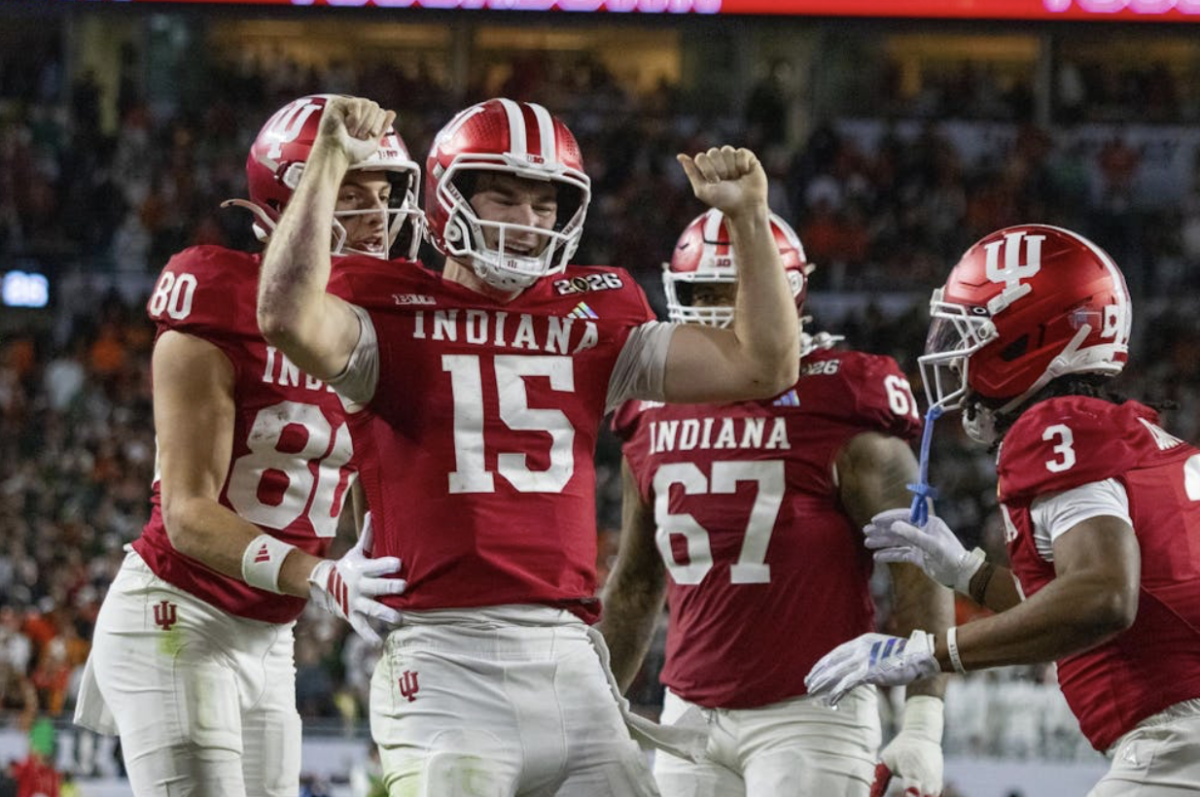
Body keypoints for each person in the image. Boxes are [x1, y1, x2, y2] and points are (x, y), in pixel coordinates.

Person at [256, 95, 801, 796]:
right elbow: (283, 314)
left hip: (570, 656)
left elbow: (765, 365)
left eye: (545, 205)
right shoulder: (386, 308)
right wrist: (330, 158)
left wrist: (749, 217)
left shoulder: (596, 312)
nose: (528, 222)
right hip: (445, 660)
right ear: (448, 198)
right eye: (505, 198)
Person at [73, 95, 415, 797]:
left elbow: (364, 487)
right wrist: (323, 577)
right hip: (180, 614)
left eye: (384, 196)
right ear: (284, 202)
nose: (378, 217)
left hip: (269, 633)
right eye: (352, 194)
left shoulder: (368, 324)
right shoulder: (219, 296)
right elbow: (187, 515)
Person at [805, 224, 1200, 795]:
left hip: (1180, 745)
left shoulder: (1055, 427)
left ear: (1026, 338)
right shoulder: (1131, 433)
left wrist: (930, 653)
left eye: (971, 332)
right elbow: (1085, 604)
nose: (956, 355)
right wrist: (970, 574)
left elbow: (1104, 598)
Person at [601, 208, 952, 797]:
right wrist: (594, 710)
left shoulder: (839, 397)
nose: (718, 312)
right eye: (703, 294)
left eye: (734, 291)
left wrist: (924, 720)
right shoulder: (650, 411)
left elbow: (920, 565)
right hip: (687, 713)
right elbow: (636, 586)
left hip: (811, 712)